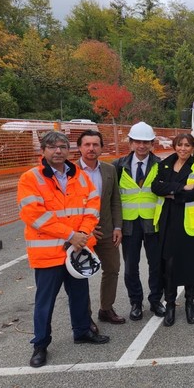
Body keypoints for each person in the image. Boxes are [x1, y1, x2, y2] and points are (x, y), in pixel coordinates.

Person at [18, 131, 109, 368]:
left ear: (68, 150)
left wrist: (82, 235)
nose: (57, 151)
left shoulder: (80, 176)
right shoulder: (31, 178)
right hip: (49, 253)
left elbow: (92, 207)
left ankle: (82, 331)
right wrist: (71, 235)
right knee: (45, 301)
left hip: (77, 250)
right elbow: (34, 216)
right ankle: (40, 344)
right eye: (52, 147)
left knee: (79, 295)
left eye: (62, 146)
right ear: (43, 151)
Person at [151, 133, 194, 326]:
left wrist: (170, 192)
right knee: (169, 265)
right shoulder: (163, 164)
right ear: (174, 146)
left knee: (190, 264)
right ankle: (170, 304)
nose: (183, 149)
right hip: (168, 220)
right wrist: (180, 188)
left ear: (193, 148)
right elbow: (156, 187)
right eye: (179, 145)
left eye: (187, 145)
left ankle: (189, 303)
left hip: (190, 223)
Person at [114, 121, 165, 321]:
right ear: (131, 143)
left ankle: (155, 300)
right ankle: (136, 302)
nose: (141, 146)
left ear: (152, 144)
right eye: (137, 142)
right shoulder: (118, 166)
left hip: (153, 222)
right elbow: (113, 197)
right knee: (131, 266)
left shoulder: (161, 165)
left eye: (146, 142)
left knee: (156, 265)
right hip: (129, 224)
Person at [76, 130, 125, 327]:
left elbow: (115, 201)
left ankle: (106, 308)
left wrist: (118, 227)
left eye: (95, 145)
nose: (91, 148)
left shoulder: (109, 170)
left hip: (106, 230)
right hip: (80, 234)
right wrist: (83, 229)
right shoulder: (70, 171)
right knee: (81, 276)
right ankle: (84, 317)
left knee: (112, 269)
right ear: (80, 147)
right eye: (87, 145)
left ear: (101, 148)